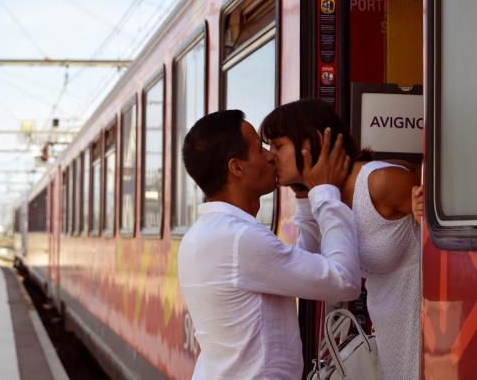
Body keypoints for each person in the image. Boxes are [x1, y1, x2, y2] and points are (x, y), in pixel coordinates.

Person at [178, 109, 361, 380]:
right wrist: (325, 192)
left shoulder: (205, 234)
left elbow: (303, 272)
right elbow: (342, 280)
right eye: (259, 148)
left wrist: (304, 195)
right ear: (237, 167)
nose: (270, 155)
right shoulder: (238, 240)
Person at [260, 98, 421, 380]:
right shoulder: (328, 197)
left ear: (308, 142)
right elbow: (311, 268)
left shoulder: (378, 183)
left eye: (278, 145)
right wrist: (304, 195)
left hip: (423, 327)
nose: (270, 156)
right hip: (390, 331)